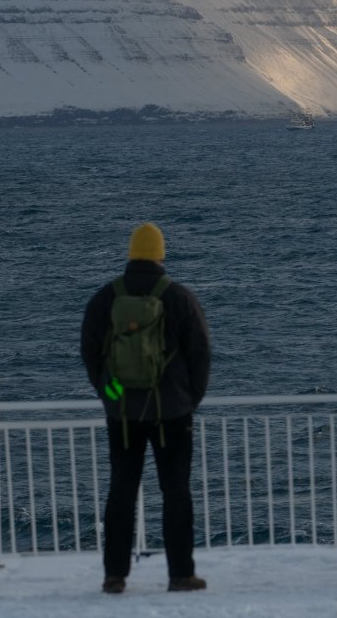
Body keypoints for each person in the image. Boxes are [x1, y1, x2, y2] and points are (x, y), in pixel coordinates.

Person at [81, 223, 211, 594]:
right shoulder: (179, 298)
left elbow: (91, 353)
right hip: (172, 413)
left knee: (122, 492)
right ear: (160, 254)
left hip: (122, 414)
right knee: (176, 494)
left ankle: (115, 576)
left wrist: (112, 391)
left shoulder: (106, 298)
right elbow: (200, 353)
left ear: (130, 253)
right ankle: (181, 574)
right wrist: (188, 399)